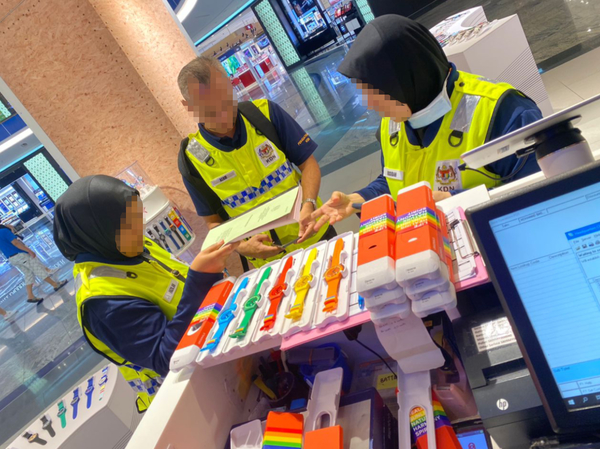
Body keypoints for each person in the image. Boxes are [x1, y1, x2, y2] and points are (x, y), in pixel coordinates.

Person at [312, 15, 543, 229]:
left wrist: (457, 201)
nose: (370, 105)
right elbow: (394, 178)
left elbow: (542, 197)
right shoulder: (394, 120)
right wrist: (359, 198)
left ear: (406, 79)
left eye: (374, 92)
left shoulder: (503, 112)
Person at [53, 175, 237, 412]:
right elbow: (166, 358)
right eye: (130, 225)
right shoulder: (101, 302)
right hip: (187, 395)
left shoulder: (130, 247)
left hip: (215, 347)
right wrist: (199, 279)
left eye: (139, 217)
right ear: (100, 232)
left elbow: (177, 283)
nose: (141, 229)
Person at [177, 56, 334, 269]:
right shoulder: (192, 158)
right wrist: (241, 246)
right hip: (269, 263)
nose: (223, 113)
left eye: (225, 99)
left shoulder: (265, 113)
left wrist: (309, 204)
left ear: (230, 84)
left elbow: (308, 164)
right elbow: (213, 222)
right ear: (188, 106)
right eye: (209, 109)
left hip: (314, 234)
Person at [0, 223, 67, 304]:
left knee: (28, 274)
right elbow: (16, 243)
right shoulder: (4, 231)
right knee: (37, 269)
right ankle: (55, 284)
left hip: (11, 258)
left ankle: (30, 296)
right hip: (20, 254)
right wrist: (28, 250)